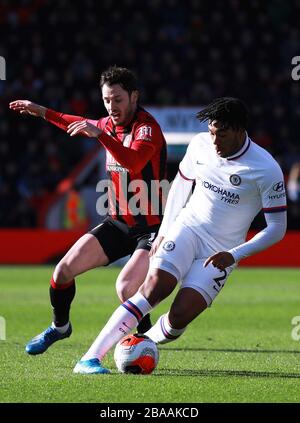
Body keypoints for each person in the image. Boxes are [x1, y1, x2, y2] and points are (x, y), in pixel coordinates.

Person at [71, 97, 287, 374]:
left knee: (179, 318)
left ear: (239, 130)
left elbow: (276, 229)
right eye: (211, 132)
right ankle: (90, 358)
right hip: (188, 228)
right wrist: (164, 231)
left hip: (222, 251)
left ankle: (140, 343)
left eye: (221, 134)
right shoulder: (200, 145)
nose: (214, 141)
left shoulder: (266, 169)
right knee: (154, 289)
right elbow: (181, 186)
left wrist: (233, 254)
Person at [9, 65, 167, 355]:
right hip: (118, 224)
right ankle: (60, 327)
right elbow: (71, 120)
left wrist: (100, 136)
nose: (112, 106)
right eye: (107, 100)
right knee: (63, 271)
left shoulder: (148, 129)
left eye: (118, 99)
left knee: (126, 288)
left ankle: (146, 338)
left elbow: (133, 162)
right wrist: (39, 110)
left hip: (152, 228)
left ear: (134, 96)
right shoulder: (106, 125)